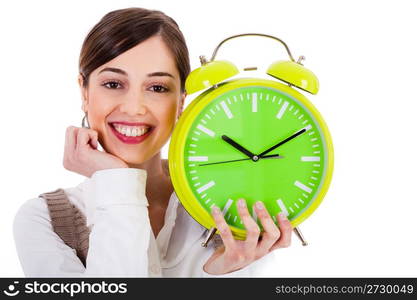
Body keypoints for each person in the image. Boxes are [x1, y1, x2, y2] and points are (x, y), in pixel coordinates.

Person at [13, 7, 292, 277]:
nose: (134, 108)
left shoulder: (232, 207)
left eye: (157, 88)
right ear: (84, 92)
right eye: (113, 84)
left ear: (181, 102)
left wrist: (223, 275)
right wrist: (116, 180)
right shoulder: (44, 220)